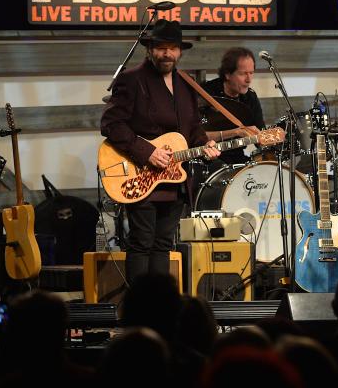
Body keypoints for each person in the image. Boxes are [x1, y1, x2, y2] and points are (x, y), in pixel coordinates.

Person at [100, 19, 220, 283]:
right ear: (150, 49)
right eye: (161, 47)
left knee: (164, 244)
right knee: (141, 242)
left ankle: (158, 310)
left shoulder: (186, 84)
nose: (168, 53)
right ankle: (138, 311)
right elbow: (111, 124)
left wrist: (205, 144)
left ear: (180, 51)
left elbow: (191, 128)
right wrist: (146, 152)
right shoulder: (131, 80)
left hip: (174, 176)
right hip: (140, 173)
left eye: (173, 48)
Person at [201, 47, 265, 165]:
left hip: (237, 160)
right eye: (243, 74)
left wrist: (269, 140)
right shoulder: (205, 94)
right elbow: (196, 136)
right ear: (227, 74)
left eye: (251, 73)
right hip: (208, 160)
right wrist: (236, 132)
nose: (248, 79)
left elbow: (260, 135)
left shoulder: (250, 97)